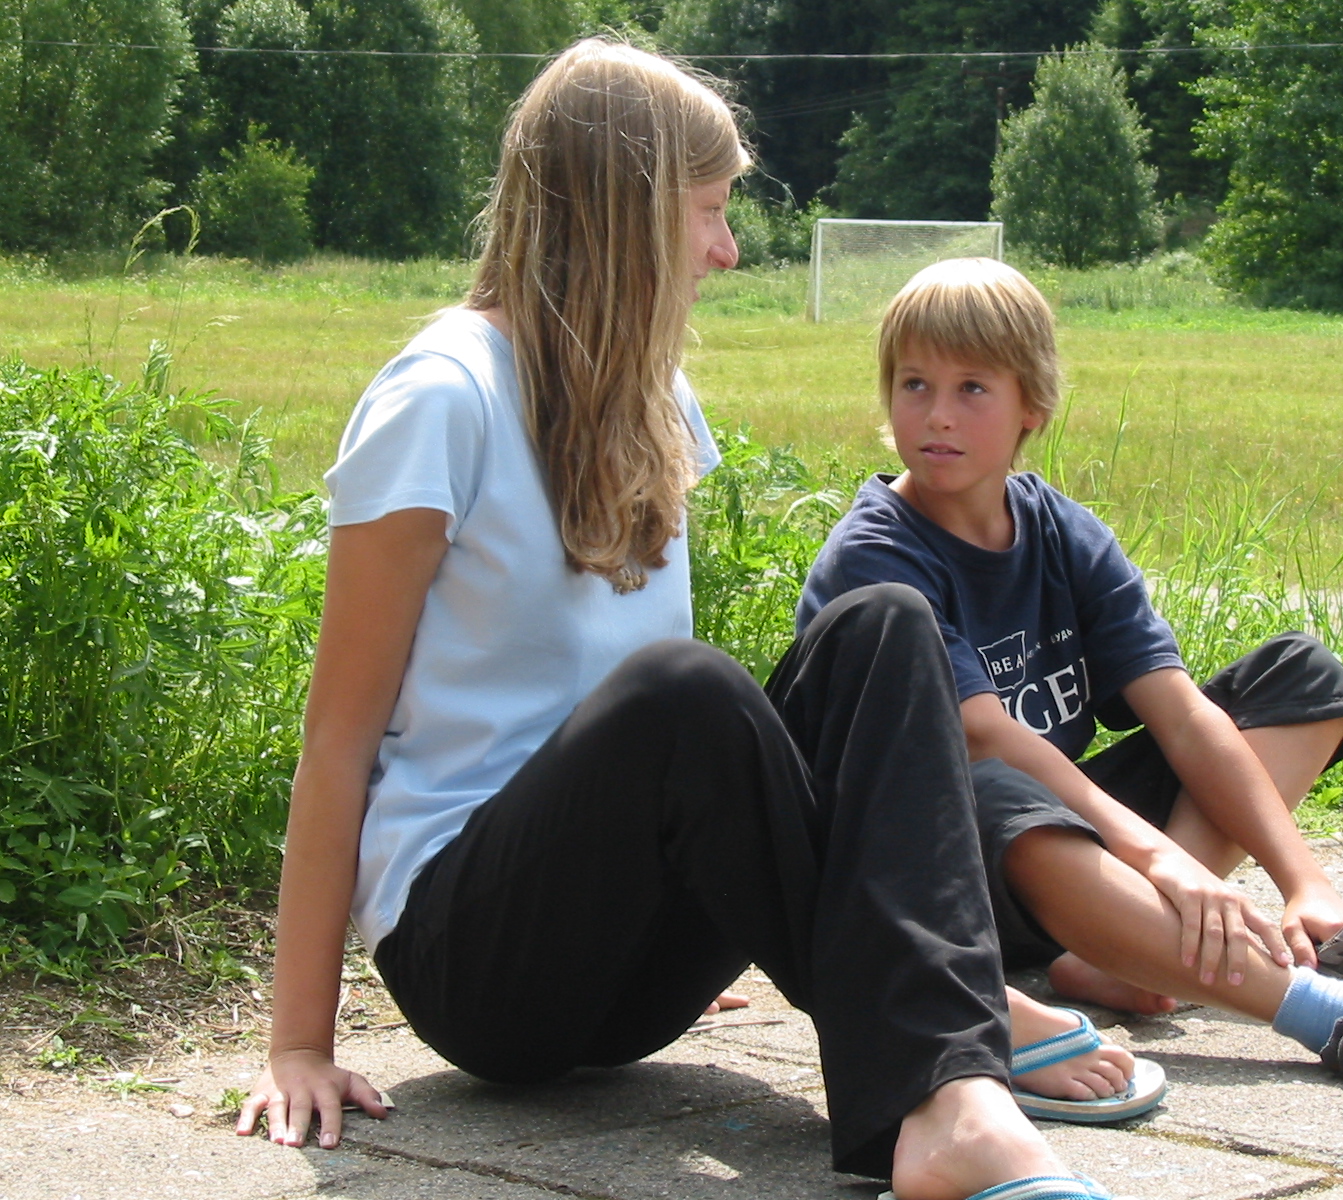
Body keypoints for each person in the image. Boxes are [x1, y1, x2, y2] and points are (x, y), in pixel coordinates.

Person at [235, 42, 1156, 1200]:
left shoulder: (655, 393)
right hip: (483, 967)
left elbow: (637, 743)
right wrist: (298, 1044)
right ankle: (954, 1073)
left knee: (885, 624)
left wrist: (713, 882)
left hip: (632, 972)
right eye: (710, 210)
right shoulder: (442, 396)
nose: (728, 249)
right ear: (624, 212)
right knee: (686, 687)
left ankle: (950, 1052)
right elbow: (338, 739)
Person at [798, 257, 1343, 1088]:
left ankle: (1131, 949)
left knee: (1299, 676)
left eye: (972, 388)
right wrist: (1159, 860)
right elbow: (983, 737)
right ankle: (1331, 1015)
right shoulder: (876, 551)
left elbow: (1179, 714)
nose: (937, 415)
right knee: (992, 783)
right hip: (944, 866)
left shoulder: (1059, 529)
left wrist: (1304, 883)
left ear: (1033, 404)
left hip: (1073, 840)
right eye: (914, 384)